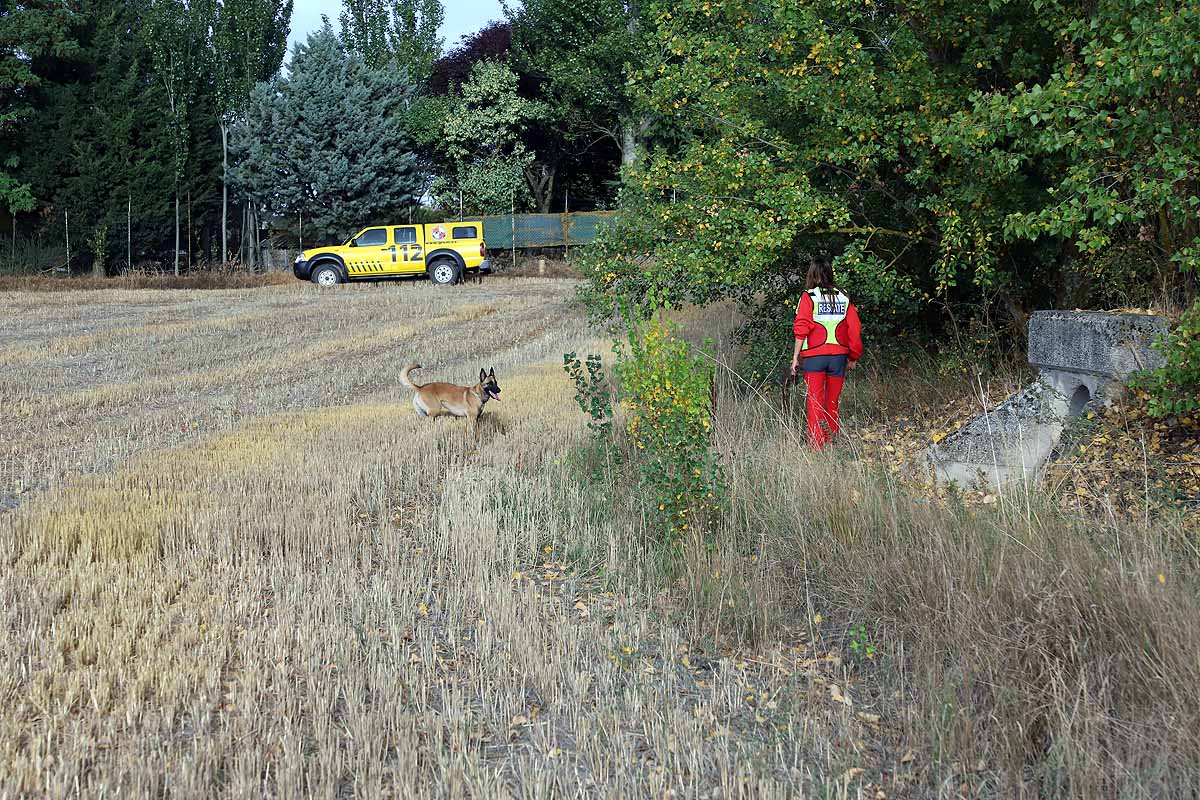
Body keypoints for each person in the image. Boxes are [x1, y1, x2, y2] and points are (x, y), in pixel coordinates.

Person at [790, 257, 863, 449]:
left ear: (812, 273)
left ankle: (817, 446)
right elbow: (854, 328)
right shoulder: (843, 296)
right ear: (830, 273)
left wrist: (795, 358)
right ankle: (832, 443)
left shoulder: (809, 296)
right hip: (838, 357)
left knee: (815, 403)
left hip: (814, 357)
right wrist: (853, 356)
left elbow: (801, 328)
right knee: (832, 402)